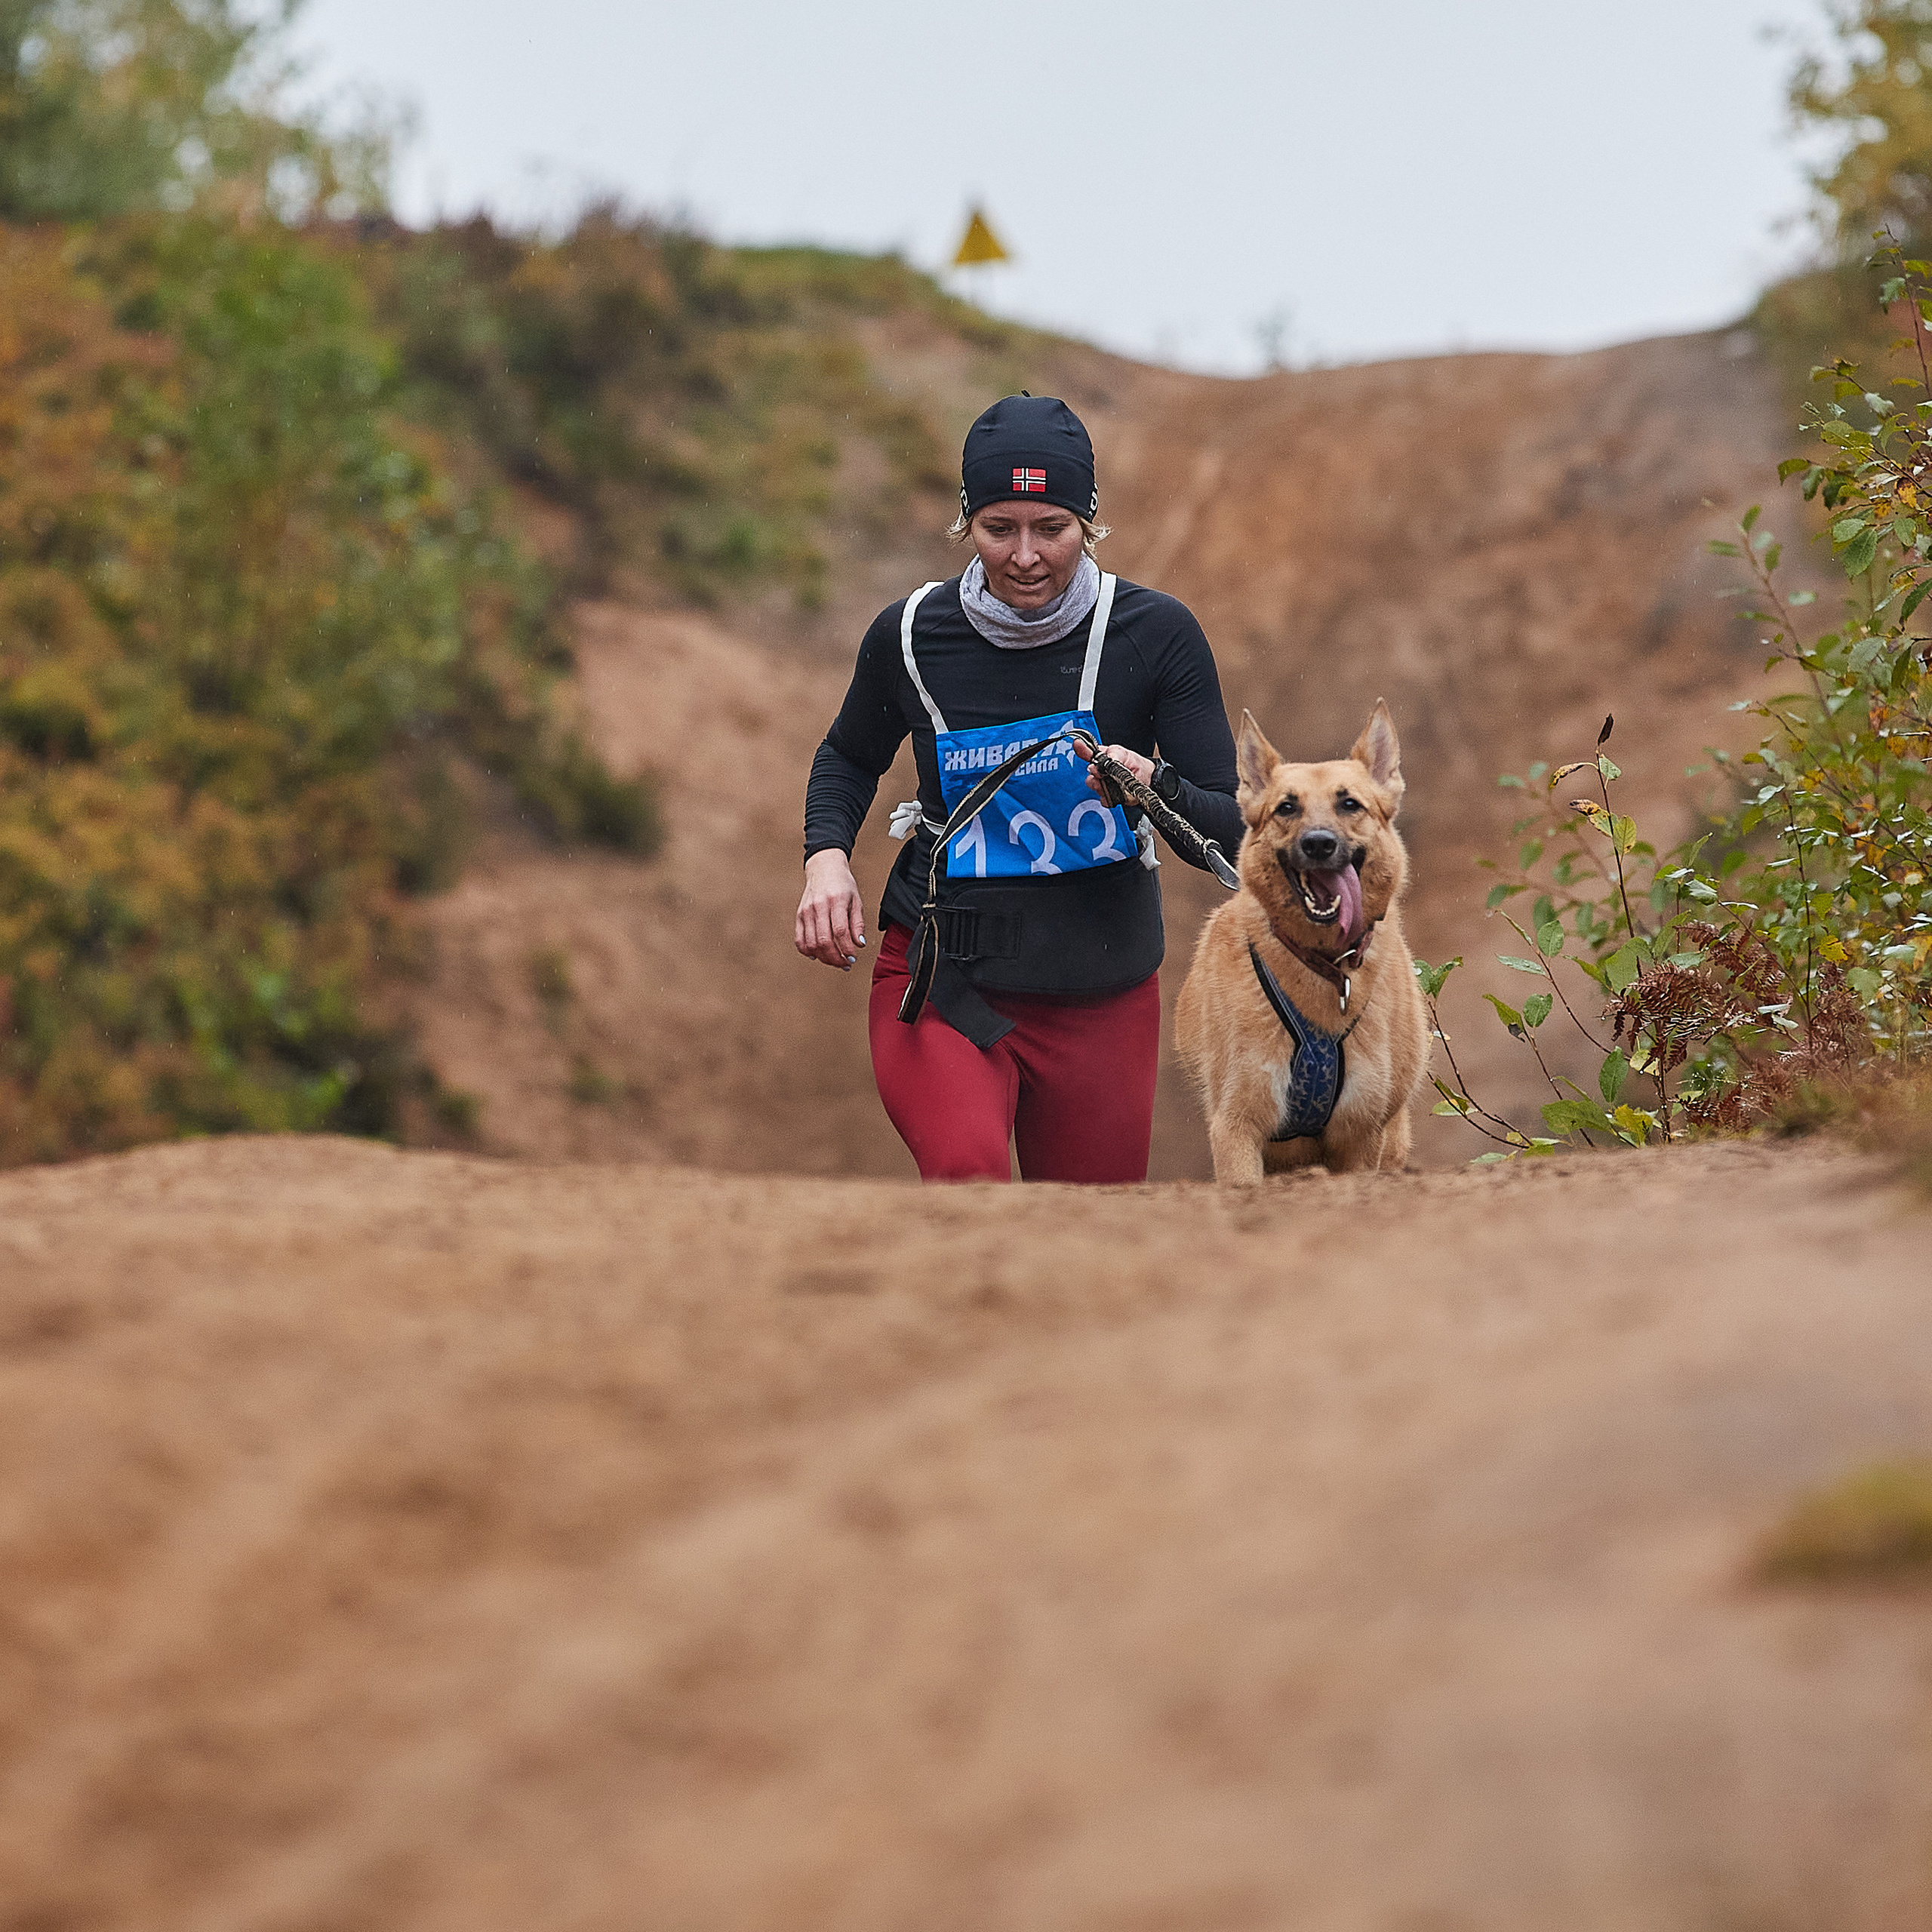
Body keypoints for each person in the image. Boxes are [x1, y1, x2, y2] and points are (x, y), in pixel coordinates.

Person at [796, 394, 1242, 1183]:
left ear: (1089, 522)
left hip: (1101, 994)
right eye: (999, 528)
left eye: (1052, 528)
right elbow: (847, 754)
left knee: (1088, 1239)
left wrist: (1153, 783)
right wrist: (825, 860)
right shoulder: (909, 635)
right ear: (967, 523)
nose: (1025, 555)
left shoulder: (1156, 634)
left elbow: (1231, 827)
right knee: (969, 1180)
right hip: (942, 980)